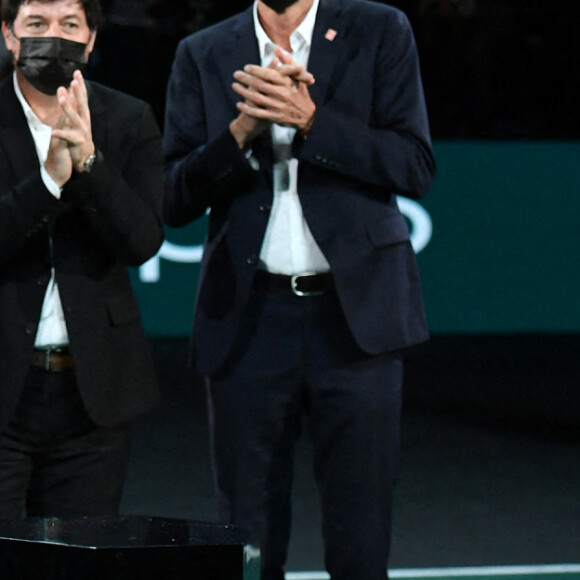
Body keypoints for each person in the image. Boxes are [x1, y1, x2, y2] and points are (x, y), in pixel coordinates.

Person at [163, 0, 435, 578]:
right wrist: (240, 132)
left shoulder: (380, 30)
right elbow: (174, 196)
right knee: (246, 533)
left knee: (360, 527)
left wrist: (310, 120)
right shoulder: (204, 51)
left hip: (356, 319)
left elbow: (413, 165)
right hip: (248, 321)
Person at [0, 0, 163, 518]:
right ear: (8, 36)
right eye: (36, 25)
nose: (54, 37)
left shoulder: (128, 118)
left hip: (93, 397)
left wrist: (90, 165)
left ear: (92, 39)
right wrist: (48, 181)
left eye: (70, 25)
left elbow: (141, 242)